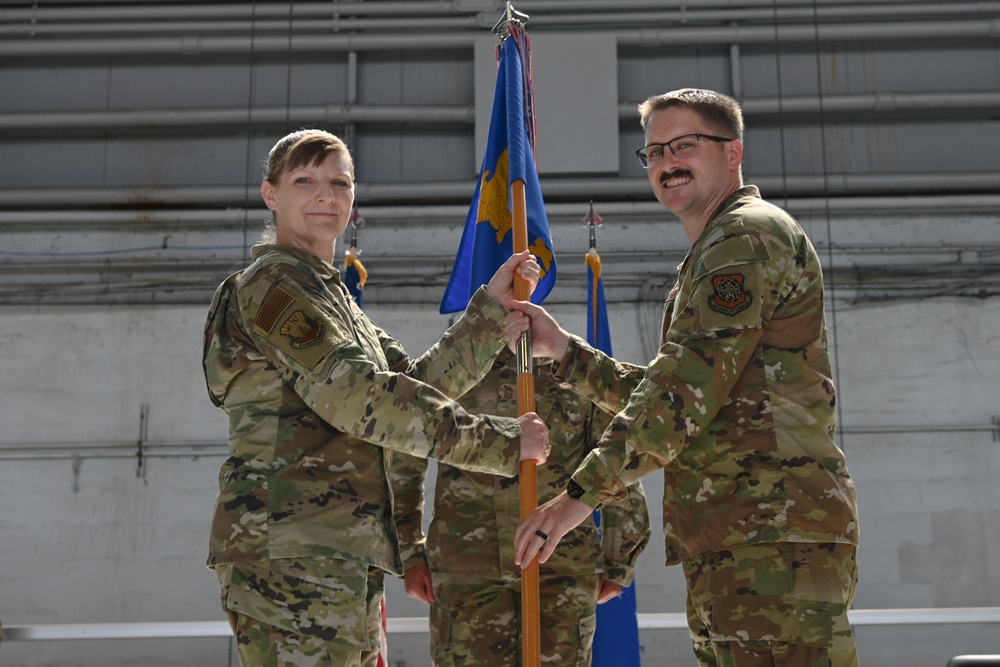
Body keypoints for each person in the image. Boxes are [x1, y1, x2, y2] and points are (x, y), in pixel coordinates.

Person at [512, 88, 861, 666]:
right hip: (739, 532)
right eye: (653, 152)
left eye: (685, 145)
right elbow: (691, 394)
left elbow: (681, 396)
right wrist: (567, 352)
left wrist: (574, 501)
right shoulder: (714, 248)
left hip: (770, 533)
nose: (667, 162)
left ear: (733, 152)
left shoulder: (745, 237)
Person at [202, 128, 551, 667]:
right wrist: (504, 445)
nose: (326, 196)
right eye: (305, 181)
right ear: (271, 195)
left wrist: (491, 315)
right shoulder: (272, 287)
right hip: (292, 552)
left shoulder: (331, 295)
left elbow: (412, 385)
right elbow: (358, 397)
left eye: (340, 183)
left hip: (340, 549)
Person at [391, 347, 651, 666]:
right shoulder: (452, 367)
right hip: (468, 569)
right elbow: (404, 459)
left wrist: (619, 560)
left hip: (560, 569)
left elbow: (617, 461)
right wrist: (410, 554)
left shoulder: (577, 368)